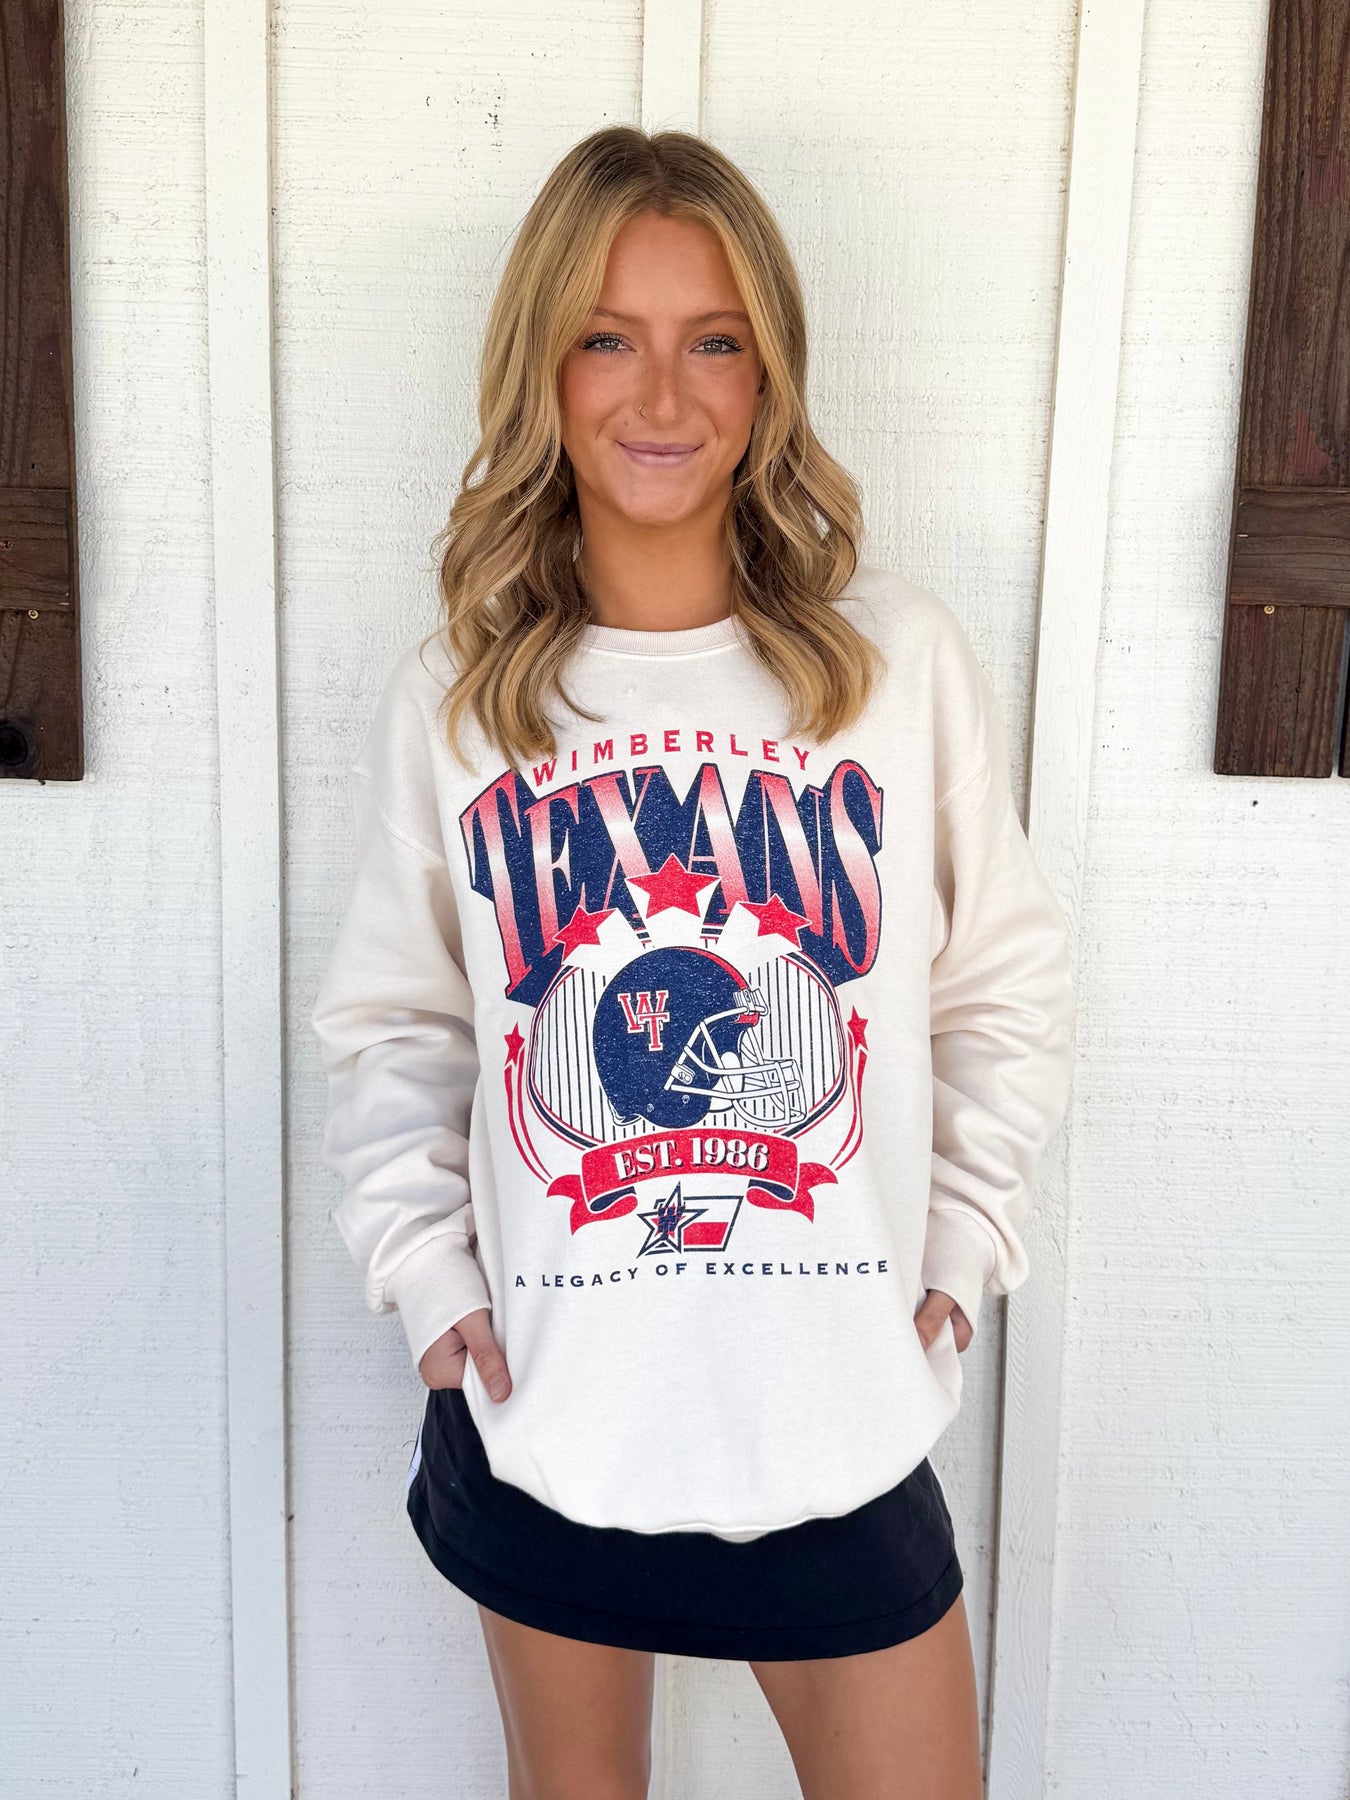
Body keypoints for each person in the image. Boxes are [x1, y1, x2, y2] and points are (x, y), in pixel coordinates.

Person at [310, 124, 1075, 1800]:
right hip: (552, 1407)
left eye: (711, 341)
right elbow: (398, 1026)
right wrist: (431, 1284)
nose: (660, 394)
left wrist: (959, 1247)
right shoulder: (462, 699)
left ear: (767, 371)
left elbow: (997, 987)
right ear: (541, 368)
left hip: (835, 1412)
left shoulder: (891, 668)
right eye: (608, 337)